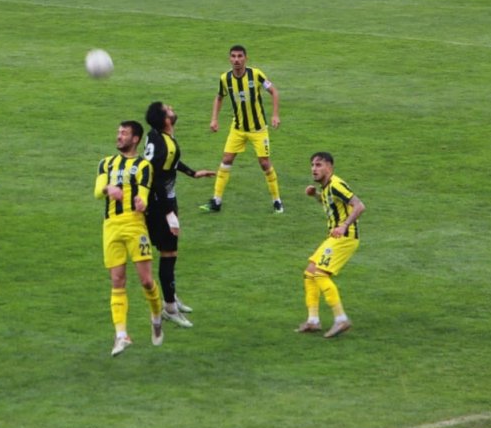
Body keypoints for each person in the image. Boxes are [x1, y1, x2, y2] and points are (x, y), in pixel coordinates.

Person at [96, 120, 165, 355]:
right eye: (118, 133)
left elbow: (144, 195)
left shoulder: (144, 166)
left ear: (135, 139)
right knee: (117, 280)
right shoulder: (106, 164)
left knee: (146, 281)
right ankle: (121, 335)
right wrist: (108, 190)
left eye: (124, 133)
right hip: (111, 227)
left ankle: (156, 315)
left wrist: (141, 202)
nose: (119, 137)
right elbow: (98, 190)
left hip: (135, 226)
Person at [143, 101, 215, 327]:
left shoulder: (154, 136)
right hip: (160, 204)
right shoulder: (167, 145)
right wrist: (169, 214)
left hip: (156, 202)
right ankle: (170, 308)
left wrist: (193, 173)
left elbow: (168, 162)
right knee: (169, 254)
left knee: (169, 253)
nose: (173, 108)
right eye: (168, 109)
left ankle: (170, 296)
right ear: (166, 120)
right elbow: (156, 178)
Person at [201, 45, 283, 214]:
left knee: (264, 163)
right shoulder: (225, 78)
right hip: (237, 128)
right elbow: (219, 97)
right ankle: (216, 201)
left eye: (240, 56)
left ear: (246, 58)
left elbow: (274, 92)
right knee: (226, 159)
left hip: (258, 129)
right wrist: (214, 119)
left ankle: (277, 201)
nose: (236, 60)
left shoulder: (256, 74)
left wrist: (275, 115)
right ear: (229, 59)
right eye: (233, 56)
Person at [297, 152, 365, 339]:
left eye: (319, 165)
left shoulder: (336, 184)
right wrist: (316, 196)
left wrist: (344, 226)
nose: (314, 169)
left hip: (345, 237)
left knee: (320, 274)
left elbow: (359, 206)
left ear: (329, 167)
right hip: (334, 237)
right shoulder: (327, 187)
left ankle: (341, 319)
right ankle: (313, 321)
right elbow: (331, 204)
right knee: (310, 272)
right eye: (312, 165)